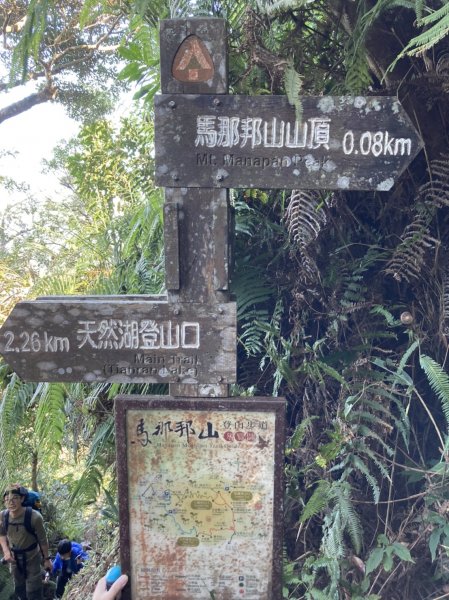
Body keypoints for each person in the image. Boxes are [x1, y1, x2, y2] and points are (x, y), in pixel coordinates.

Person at [0, 484, 52, 600]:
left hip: (32, 559)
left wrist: (47, 559)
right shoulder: (3, 516)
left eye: (15, 498)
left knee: (34, 592)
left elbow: (42, 540)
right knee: (19, 589)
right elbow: (2, 534)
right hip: (14, 560)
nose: (11, 502)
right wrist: (6, 551)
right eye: (7, 500)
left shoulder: (34, 517)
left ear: (22, 499)